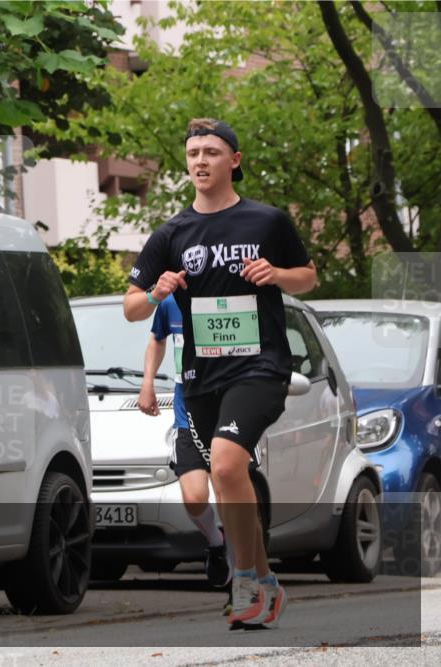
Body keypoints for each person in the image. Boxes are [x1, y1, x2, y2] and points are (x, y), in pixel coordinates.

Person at [123, 119, 317, 630]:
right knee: (231, 480)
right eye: (193, 153)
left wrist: (276, 275)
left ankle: (244, 579)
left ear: (234, 159)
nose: (201, 161)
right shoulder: (172, 234)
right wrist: (155, 293)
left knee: (228, 466)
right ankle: (267, 581)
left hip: (261, 367)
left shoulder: (266, 221)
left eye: (211, 151)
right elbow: (131, 309)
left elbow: (309, 276)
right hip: (202, 376)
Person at [137, 294, 230, 591]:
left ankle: (243, 567)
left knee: (229, 487)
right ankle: (217, 545)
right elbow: (156, 338)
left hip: (230, 408)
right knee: (193, 496)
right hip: (187, 413)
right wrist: (147, 384)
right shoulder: (170, 302)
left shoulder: (227, 294)